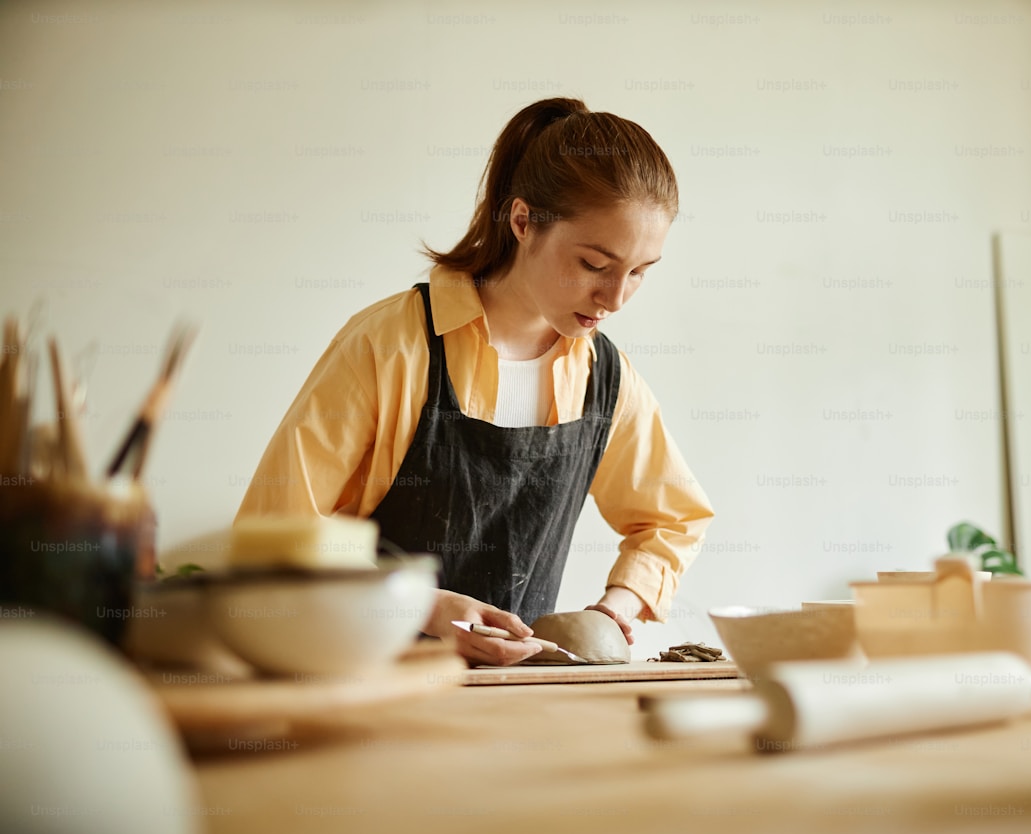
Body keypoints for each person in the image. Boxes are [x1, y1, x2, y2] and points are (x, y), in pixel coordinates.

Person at [236, 97, 713, 666]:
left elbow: (674, 520)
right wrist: (422, 607)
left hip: (516, 707)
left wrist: (617, 609)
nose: (614, 298)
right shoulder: (388, 346)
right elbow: (273, 535)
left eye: (639, 273)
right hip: (371, 686)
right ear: (521, 221)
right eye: (593, 265)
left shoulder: (603, 377)